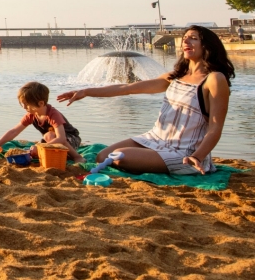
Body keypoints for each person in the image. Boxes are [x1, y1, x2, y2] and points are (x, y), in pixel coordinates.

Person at [57, 26, 235, 176]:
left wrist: (198, 156)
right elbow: (126, 88)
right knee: (103, 156)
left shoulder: (214, 79)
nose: (186, 42)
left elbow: (215, 128)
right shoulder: (175, 77)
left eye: (193, 39)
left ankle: (185, 163)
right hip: (155, 139)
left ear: (207, 46)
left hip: (185, 151)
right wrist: (87, 91)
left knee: (119, 156)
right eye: (185, 38)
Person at [0, 81, 84, 163]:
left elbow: (61, 138)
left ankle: (77, 157)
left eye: (27, 105)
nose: (24, 107)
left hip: (70, 139)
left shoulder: (53, 114)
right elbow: (14, 131)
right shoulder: (32, 115)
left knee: (49, 135)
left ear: (40, 103)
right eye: (22, 104)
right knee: (46, 138)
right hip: (52, 140)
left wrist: (40, 147)